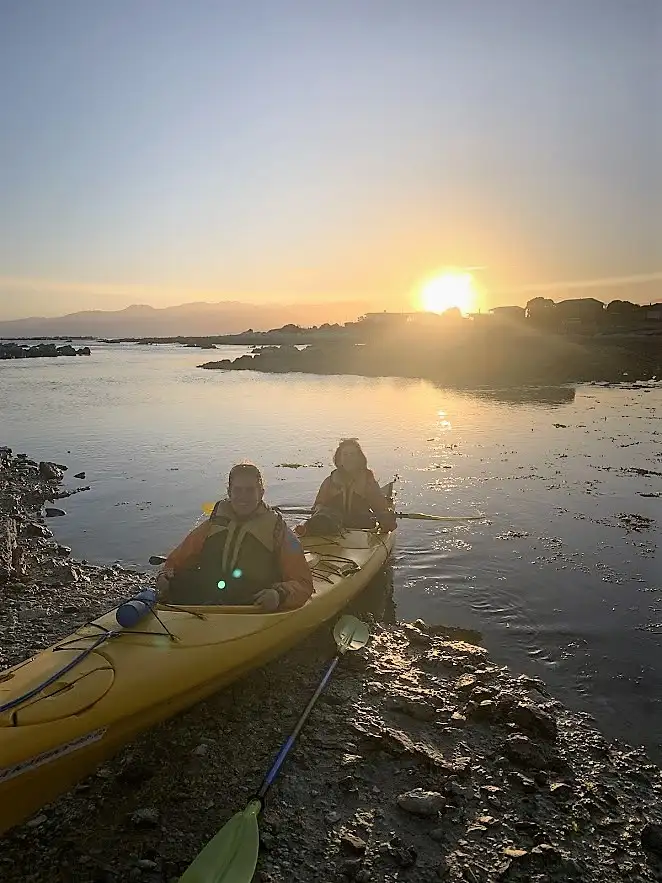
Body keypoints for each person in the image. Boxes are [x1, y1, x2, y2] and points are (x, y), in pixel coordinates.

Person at [156, 463, 313, 611]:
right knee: (172, 581)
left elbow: (303, 583)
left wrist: (279, 595)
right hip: (209, 594)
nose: (243, 497)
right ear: (229, 492)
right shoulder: (212, 525)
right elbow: (175, 560)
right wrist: (165, 574)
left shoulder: (279, 531)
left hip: (251, 603)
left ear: (262, 493)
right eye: (238, 490)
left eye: (250, 490)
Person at [299, 439, 397, 535]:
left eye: (352, 455)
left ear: (359, 459)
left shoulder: (368, 482)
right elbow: (317, 505)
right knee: (324, 516)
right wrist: (318, 508)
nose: (348, 458)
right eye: (345, 455)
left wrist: (386, 519)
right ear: (339, 459)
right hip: (331, 525)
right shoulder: (330, 481)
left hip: (359, 526)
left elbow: (379, 507)